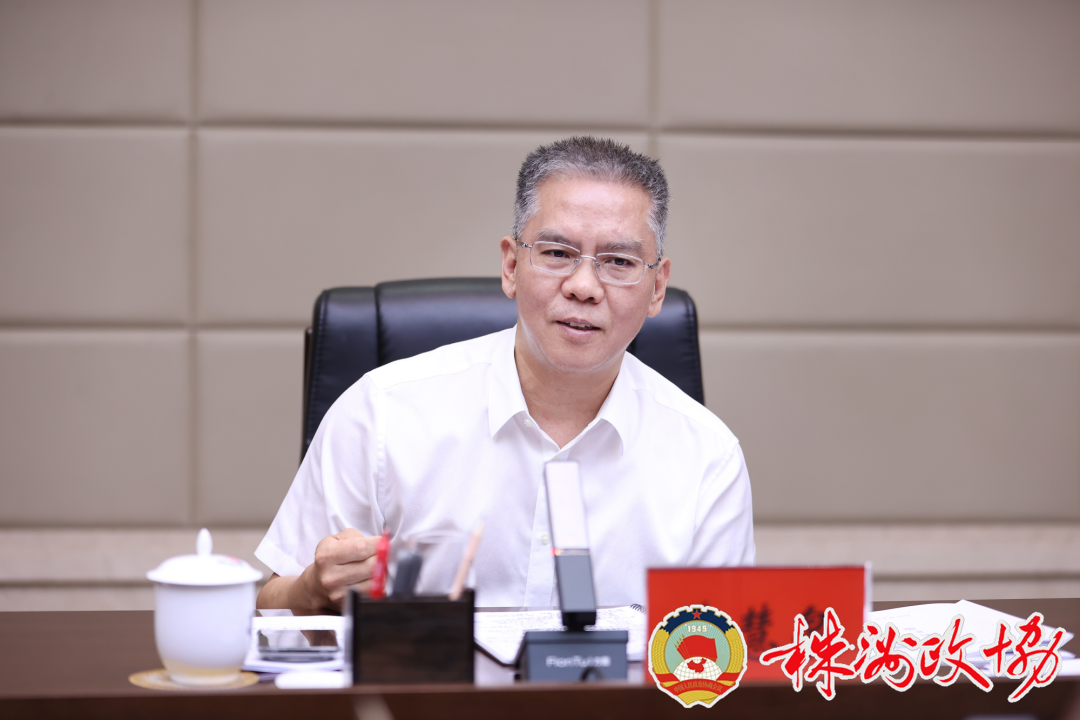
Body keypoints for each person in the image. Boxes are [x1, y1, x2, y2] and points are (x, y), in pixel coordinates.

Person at [255, 136, 754, 614]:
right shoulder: (382, 412)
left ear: (657, 287)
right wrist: (312, 591)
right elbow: (269, 610)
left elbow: (723, 658)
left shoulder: (708, 459)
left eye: (619, 261)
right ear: (512, 266)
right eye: (557, 254)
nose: (583, 286)